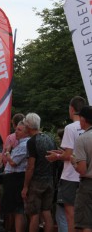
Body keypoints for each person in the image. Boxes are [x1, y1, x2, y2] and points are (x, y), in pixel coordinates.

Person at [46, 96, 86, 232]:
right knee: (85, 217)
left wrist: (57, 156)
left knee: (71, 216)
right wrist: (61, 154)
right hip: (85, 175)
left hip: (70, 177)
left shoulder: (70, 128)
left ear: (71, 109)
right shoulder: (88, 128)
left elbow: (69, 155)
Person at [21, 113, 56, 232]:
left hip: (37, 181)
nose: (24, 127)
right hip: (49, 180)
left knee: (34, 213)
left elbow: (30, 166)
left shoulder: (31, 141)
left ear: (29, 126)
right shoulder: (50, 138)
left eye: (25, 125)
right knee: (47, 212)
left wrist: (25, 186)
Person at [1, 121, 30, 232]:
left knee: (18, 210)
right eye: (16, 129)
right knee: (14, 209)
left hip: (16, 179)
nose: (16, 132)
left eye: (19, 130)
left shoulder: (24, 145)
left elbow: (13, 162)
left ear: (26, 132)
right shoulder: (20, 144)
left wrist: (8, 152)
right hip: (13, 178)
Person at [72, 106, 92, 231]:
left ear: (83, 119)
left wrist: (74, 162)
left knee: (86, 224)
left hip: (88, 186)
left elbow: (82, 169)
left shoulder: (82, 139)